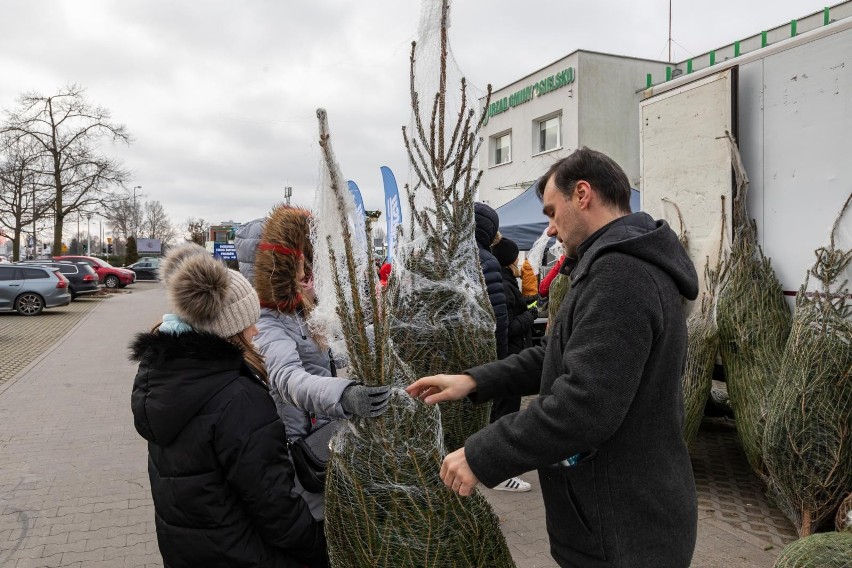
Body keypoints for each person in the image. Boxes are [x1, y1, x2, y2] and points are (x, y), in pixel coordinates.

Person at [407, 147, 699, 568]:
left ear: (582, 194)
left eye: (551, 211)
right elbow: (557, 354)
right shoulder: (610, 266)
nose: (550, 228)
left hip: (624, 532)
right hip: (618, 520)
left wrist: (482, 453)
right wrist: (474, 381)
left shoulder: (622, 276)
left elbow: (583, 405)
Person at [130, 243, 328, 568]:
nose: (256, 329)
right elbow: (275, 506)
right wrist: (319, 549)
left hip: (188, 550)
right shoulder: (238, 397)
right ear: (231, 330)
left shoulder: (166, 379)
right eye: (250, 322)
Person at [236, 204, 390, 519]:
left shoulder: (297, 309)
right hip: (302, 450)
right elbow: (287, 378)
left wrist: (389, 331)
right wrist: (345, 394)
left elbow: (336, 347)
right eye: (299, 259)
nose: (306, 268)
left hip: (324, 434)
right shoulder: (265, 321)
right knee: (318, 526)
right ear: (277, 264)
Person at [473, 202, 509, 360]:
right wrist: (500, 360)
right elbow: (498, 318)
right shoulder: (487, 261)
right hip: (476, 352)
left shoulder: (440, 255)